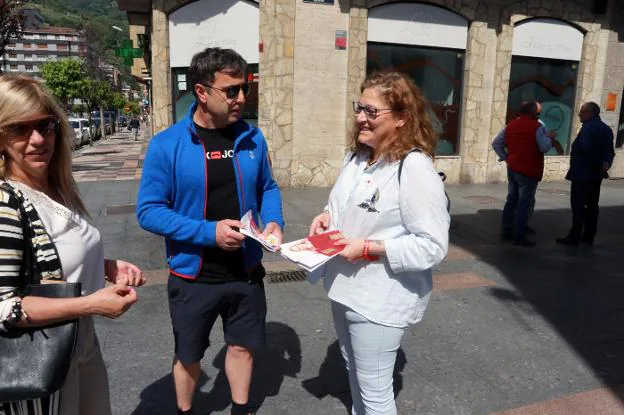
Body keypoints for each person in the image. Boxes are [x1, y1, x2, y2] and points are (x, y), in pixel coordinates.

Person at [136, 48, 284, 415]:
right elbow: (149, 211)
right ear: (201, 92)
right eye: (231, 90)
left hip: (246, 271)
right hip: (193, 274)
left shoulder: (253, 138)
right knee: (189, 354)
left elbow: (268, 187)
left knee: (241, 346)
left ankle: (241, 408)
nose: (241, 98)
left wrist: (274, 221)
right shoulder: (166, 144)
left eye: (244, 88)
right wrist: (208, 233)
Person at [306, 71, 450, 415]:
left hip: (380, 300)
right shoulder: (357, 158)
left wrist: (370, 248)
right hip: (343, 289)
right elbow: (343, 203)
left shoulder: (413, 168)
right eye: (359, 108)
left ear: (401, 118)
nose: (360, 118)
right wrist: (327, 215)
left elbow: (432, 245)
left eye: (371, 112)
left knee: (375, 395)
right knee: (354, 373)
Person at [0, 74, 145, 414]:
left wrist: (105, 266)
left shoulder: (54, 189)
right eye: (21, 128)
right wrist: (91, 304)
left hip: (80, 348)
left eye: (46, 125)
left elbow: (53, 256)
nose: (38, 139)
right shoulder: (7, 201)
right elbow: (4, 307)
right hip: (41, 364)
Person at [492, 100, 559, 247]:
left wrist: (506, 157)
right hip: (529, 170)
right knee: (524, 203)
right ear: (533, 112)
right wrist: (551, 138)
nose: (539, 115)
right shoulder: (537, 127)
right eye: (538, 113)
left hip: (513, 168)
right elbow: (544, 148)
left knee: (511, 199)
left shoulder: (511, 125)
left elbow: (496, 143)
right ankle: (519, 235)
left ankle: (506, 230)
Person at [556, 102, 615, 246]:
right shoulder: (606, 129)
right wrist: (606, 163)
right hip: (596, 175)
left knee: (578, 206)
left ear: (590, 113)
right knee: (592, 206)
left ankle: (574, 236)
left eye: (582, 112)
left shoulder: (588, 129)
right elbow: (610, 152)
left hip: (582, 174)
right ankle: (589, 235)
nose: (579, 115)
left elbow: (586, 149)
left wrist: (599, 163)